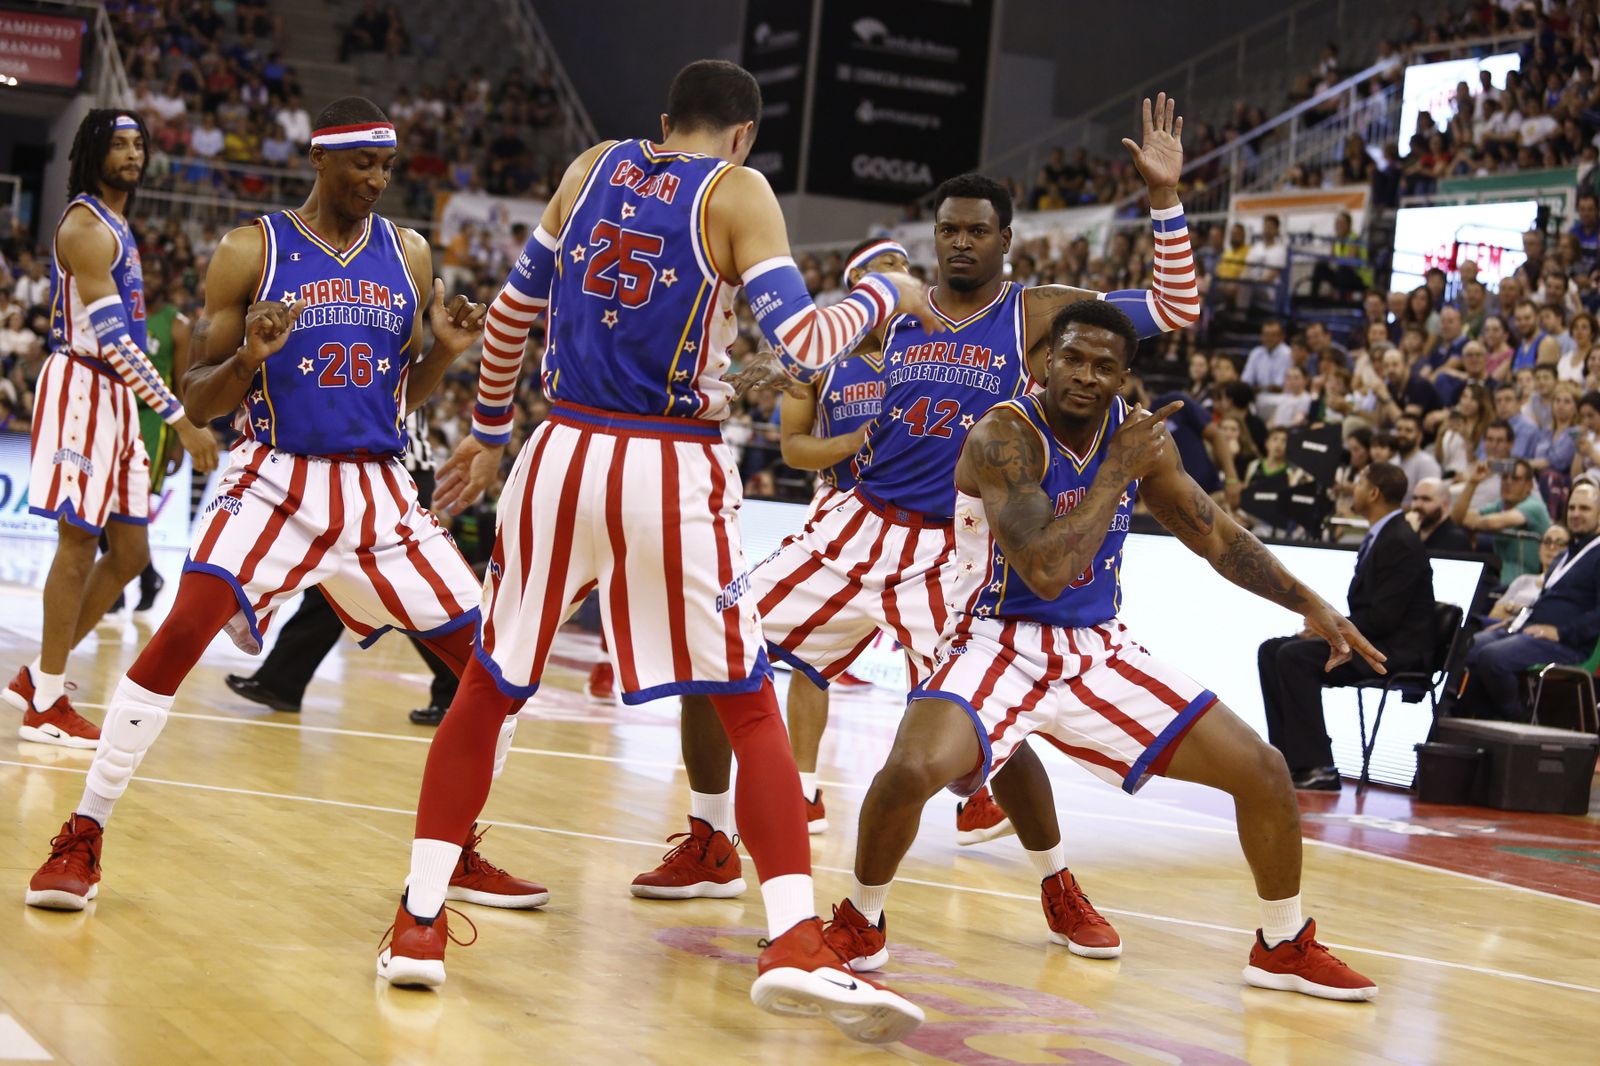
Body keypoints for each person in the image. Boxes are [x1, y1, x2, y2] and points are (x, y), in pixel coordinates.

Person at [384, 61, 936, 1042]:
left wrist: (491, 432)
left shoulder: (591, 165)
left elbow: (509, 315)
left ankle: (418, 924)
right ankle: (793, 939)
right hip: (668, 461)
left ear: (665, 118)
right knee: (748, 701)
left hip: (560, 450)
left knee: (489, 686)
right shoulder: (738, 191)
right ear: (743, 135)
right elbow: (807, 339)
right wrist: (884, 294)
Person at [632, 96, 1201, 963]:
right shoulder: (894, 306)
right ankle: (710, 840)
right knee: (715, 645)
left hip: (954, 549)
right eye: (948, 230)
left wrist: (1163, 198)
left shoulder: (1036, 313)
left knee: (989, 729)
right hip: (854, 523)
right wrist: (753, 371)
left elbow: (1175, 304)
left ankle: (1057, 882)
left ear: (1006, 240)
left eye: (977, 230)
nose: (961, 242)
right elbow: (803, 354)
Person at [24, 98, 545, 920]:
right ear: (319, 158)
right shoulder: (251, 250)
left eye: (387, 166)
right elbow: (200, 398)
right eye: (362, 163)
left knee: (495, 674)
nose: (377, 179)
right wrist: (246, 360)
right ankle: (81, 836)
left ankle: (454, 848)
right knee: (180, 634)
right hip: (275, 477)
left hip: (377, 490)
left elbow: (397, 397)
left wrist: (444, 353)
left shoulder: (409, 254)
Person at [824, 300, 1380, 1000]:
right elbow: (1045, 570)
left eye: (1104, 366)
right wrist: (1116, 471)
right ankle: (860, 920)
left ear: (1124, 378)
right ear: (1045, 363)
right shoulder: (1003, 434)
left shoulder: (1139, 438)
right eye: (1073, 359)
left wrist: (1310, 604)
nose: (1085, 376)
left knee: (1265, 771)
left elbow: (1214, 535)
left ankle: (1282, 943)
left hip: (1097, 646)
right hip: (995, 638)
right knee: (910, 769)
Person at [3, 111, 219, 747]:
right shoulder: (85, 226)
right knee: (77, 542)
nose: (132, 154)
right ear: (93, 151)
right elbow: (117, 342)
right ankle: (46, 703)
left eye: (138, 144)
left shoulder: (119, 224)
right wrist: (180, 418)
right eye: (119, 144)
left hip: (119, 397)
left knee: (130, 554)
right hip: (82, 385)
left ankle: (37, 677)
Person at [769, 237, 906, 832]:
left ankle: (972, 793)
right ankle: (802, 790)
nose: (903, 277)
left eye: (906, 268)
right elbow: (793, 448)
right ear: (859, 285)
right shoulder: (818, 359)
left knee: (950, 657)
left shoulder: (932, 347)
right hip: (842, 507)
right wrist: (851, 442)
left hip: (921, 517)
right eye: (887, 269)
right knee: (808, 656)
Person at [222, 406, 461, 722]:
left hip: (395, 470)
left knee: (399, 592)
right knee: (332, 582)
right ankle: (280, 682)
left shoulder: (391, 374)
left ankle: (457, 686)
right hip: (367, 469)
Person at [1259, 462, 1434, 791]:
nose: (1353, 488)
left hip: (1393, 650)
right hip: (1373, 638)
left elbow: (1384, 618)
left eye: (1359, 482)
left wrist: (1329, 629)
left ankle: (1318, 766)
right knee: (1271, 650)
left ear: (1374, 492)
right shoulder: (1383, 536)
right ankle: (1286, 762)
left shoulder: (1399, 541)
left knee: (1294, 656)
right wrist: (1328, 628)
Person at [1458, 482, 1600, 719]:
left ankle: (1520, 720)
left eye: (1584, 508)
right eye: (1572, 507)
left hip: (1568, 645)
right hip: (1529, 630)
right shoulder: (1565, 555)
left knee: (1492, 657)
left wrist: (1561, 633)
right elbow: (1545, 602)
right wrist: (1513, 622)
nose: (1576, 514)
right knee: (1466, 647)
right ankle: (1473, 721)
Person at [1451, 457, 1552, 582]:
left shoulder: (1535, 506)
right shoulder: (1500, 505)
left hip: (1525, 582)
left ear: (1529, 485)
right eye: (1504, 477)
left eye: (1515, 479)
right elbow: (1457, 518)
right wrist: (1473, 482)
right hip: (1496, 578)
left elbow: (1490, 523)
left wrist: (1472, 523)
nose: (1508, 482)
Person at [1487, 523, 1570, 621]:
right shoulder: (1523, 580)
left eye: (1559, 542)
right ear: (1539, 549)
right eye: (1547, 541)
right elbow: (1494, 614)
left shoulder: (1566, 587)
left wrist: (1519, 610)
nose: (1551, 547)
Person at [1407, 476, 1473, 553]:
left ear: (1444, 504)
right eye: (1415, 498)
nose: (1417, 505)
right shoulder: (1410, 531)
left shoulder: (1456, 539)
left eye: (1426, 499)